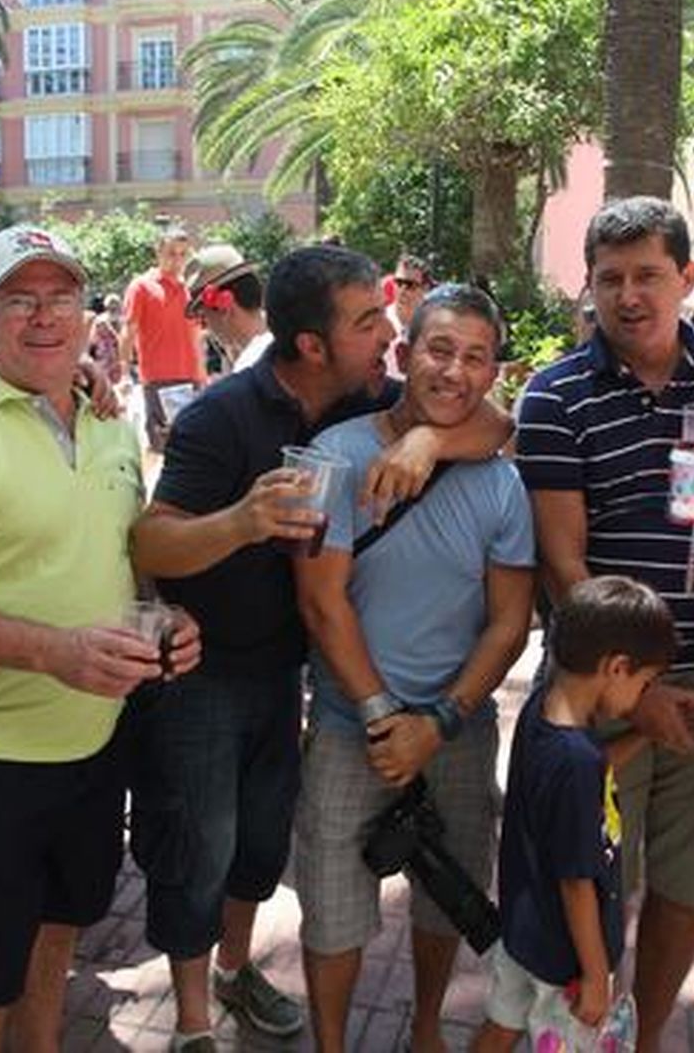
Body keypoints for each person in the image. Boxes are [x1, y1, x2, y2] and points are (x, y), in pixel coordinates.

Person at [127, 244, 512, 1052]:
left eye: (385, 320)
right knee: (204, 846)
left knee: (262, 848)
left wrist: (429, 444)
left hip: (288, 671)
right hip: (214, 668)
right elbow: (150, 545)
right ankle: (195, 1018)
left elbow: (490, 415)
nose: (387, 334)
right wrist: (240, 522)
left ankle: (240, 972)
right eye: (369, 321)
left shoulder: (364, 397)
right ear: (314, 345)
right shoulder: (222, 418)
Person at [0, 224, 201, 1052]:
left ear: (86, 314)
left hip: (95, 740)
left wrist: (164, 616)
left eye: (59, 297)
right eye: (20, 298)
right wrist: (54, 652)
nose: (43, 316)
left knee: (59, 935)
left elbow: (121, 558)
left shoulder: (107, 424)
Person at [515, 195, 694, 1052]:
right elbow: (563, 563)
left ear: (687, 278)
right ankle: (580, 1028)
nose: (628, 296)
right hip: (604, 688)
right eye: (609, 279)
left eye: (648, 276)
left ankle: (641, 1035)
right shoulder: (556, 394)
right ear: (589, 288)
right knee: (589, 883)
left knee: (684, 885)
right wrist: (637, 694)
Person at [293, 284, 536, 1053]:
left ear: (494, 372)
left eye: (475, 357)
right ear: (403, 356)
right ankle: (332, 1044)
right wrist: (378, 716)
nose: (454, 371)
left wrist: (438, 723)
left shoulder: (502, 483)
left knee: (449, 901)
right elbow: (322, 601)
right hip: (347, 726)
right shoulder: (337, 454)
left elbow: (508, 622)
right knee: (333, 909)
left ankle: (425, 1030)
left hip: (455, 730)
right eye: (439, 350)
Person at [473, 576, 679, 1053]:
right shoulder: (577, 763)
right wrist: (594, 975)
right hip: (565, 961)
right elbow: (576, 882)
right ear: (617, 667)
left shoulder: (542, 711)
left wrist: (645, 737)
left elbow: (588, 774)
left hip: (523, 935)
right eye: (645, 683)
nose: (642, 697)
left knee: (501, 1027)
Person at [124, 224, 206, 451]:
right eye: (171, 253)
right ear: (158, 252)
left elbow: (197, 335)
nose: (177, 260)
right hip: (159, 379)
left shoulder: (190, 289)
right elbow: (128, 331)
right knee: (162, 446)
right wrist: (123, 374)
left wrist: (203, 375)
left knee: (193, 445)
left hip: (193, 378)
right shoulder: (141, 286)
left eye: (183, 254)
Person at [186, 242, 270, 372]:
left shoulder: (249, 369)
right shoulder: (291, 342)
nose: (205, 328)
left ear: (225, 305)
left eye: (203, 317)